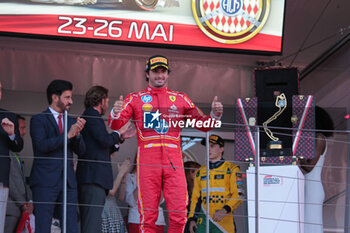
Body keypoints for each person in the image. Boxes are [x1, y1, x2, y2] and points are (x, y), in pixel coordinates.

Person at [108, 55, 223, 233]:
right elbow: (116, 125)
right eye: (155, 71)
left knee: (179, 215)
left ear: (168, 74)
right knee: (147, 217)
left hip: (174, 163)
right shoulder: (135, 98)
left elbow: (203, 125)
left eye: (163, 71)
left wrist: (215, 115)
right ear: (147, 74)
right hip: (148, 163)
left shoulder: (181, 98)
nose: (159, 75)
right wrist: (115, 113)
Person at [77, 85, 135, 233]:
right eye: (107, 100)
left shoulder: (92, 117)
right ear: (101, 100)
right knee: (91, 224)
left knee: (94, 223)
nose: (107, 103)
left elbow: (102, 147)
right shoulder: (92, 116)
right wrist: (117, 132)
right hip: (93, 178)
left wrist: (119, 138)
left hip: (93, 179)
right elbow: (104, 140)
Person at [30, 79, 86, 233]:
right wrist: (67, 135)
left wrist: (78, 135)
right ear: (55, 97)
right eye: (67, 97)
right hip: (45, 180)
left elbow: (81, 151)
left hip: (68, 181)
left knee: (71, 226)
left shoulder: (71, 120)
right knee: (43, 225)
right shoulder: (38, 120)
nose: (71, 101)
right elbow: (41, 146)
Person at [188, 135, 242, 233]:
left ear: (221, 149)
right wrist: (192, 218)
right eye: (207, 146)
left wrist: (225, 210)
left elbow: (239, 195)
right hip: (203, 220)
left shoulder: (232, 169)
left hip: (224, 222)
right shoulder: (200, 171)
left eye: (212, 146)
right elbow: (196, 198)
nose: (209, 149)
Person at [299, 106, 334, 233]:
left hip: (313, 187)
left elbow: (309, 166)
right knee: (308, 224)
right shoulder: (314, 138)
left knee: (312, 225)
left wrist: (296, 159)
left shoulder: (319, 138)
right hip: (309, 186)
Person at [0, 82, 24, 233]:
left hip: (0, 179)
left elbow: (18, 146)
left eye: (0, 89)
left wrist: (12, 134)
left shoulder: (8, 116)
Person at [5, 115, 34, 233]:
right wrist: (23, 203)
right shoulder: (5, 152)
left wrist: (30, 202)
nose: (25, 132)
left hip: (20, 210)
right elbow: (9, 181)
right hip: (9, 209)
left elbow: (23, 182)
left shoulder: (16, 153)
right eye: (22, 128)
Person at [125, 156, 166, 233]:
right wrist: (143, 179)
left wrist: (157, 179)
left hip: (157, 220)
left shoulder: (158, 176)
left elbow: (160, 201)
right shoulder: (130, 176)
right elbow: (130, 201)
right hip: (137, 219)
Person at [102, 157, 132, 233]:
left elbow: (120, 197)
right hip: (104, 215)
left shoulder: (106, 169)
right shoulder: (96, 169)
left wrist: (124, 177)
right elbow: (111, 191)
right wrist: (121, 173)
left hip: (115, 215)